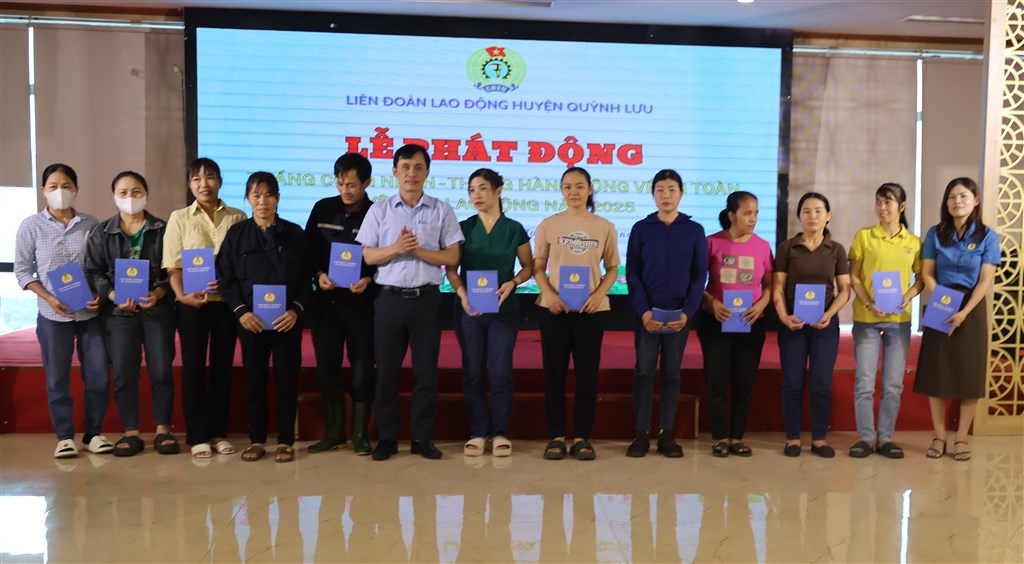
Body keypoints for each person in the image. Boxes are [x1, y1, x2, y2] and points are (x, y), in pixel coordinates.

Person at [357, 144, 464, 461]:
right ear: (394, 172)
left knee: (425, 373)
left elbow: (452, 256)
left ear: (427, 172)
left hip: (426, 301)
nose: (411, 173)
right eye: (405, 167)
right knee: (387, 374)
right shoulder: (380, 210)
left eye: (418, 167)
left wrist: (417, 251)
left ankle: (422, 438)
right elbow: (368, 255)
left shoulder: (441, 210)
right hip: (388, 301)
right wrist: (396, 248)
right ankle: (387, 438)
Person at [15, 164, 111, 458]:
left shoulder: (91, 224)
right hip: (52, 314)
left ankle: (93, 433)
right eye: (53, 186)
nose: (60, 191)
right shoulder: (30, 226)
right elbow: (22, 271)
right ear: (43, 190)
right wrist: (48, 297)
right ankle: (65, 436)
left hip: (89, 314)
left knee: (98, 376)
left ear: (76, 190)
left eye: (66, 186)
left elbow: (100, 266)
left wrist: (98, 294)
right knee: (57, 378)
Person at [218, 172, 312, 463]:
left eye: (268, 195)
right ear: (247, 199)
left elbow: (306, 277)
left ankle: (285, 440)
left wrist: (295, 310)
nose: (262, 201)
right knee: (255, 382)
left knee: (287, 381)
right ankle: (257, 440)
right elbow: (226, 277)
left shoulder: (295, 233)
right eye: (256, 195)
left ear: (278, 198)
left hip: (286, 321)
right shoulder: (236, 234)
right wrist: (241, 312)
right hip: (252, 322)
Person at [85, 171, 177, 457]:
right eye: (123, 192)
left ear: (147, 194)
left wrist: (158, 293)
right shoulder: (102, 231)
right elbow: (94, 271)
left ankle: (163, 430)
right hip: (118, 314)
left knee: (161, 370)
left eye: (136, 191)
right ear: (114, 196)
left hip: (157, 310)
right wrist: (112, 295)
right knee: (124, 373)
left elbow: (173, 269)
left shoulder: (163, 229)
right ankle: (132, 432)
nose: (130, 197)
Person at [162, 158, 247, 459]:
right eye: (196, 179)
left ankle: (219, 433)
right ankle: (198, 435)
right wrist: (181, 296)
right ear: (189, 184)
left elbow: (242, 263)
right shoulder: (179, 218)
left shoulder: (238, 217)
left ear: (219, 181)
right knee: (194, 369)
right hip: (192, 305)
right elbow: (172, 265)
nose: (203, 184)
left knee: (223, 369)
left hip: (226, 305)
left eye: (209, 177)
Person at [445, 168, 533, 458]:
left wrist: (513, 282)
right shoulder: (463, 228)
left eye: (483, 188)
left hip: (503, 310)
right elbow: (451, 269)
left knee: (500, 371)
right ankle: (478, 431)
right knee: (473, 371)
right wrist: (462, 293)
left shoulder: (514, 229)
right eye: (472, 190)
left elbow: (528, 266)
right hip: (469, 310)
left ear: (498, 190)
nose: (476, 195)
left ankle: (499, 432)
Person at [534, 166, 620, 461]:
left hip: (590, 311)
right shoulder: (548, 224)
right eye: (568, 186)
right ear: (561, 190)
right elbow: (538, 266)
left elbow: (612, 268)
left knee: (587, 376)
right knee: (554, 375)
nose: (574, 192)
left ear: (590, 189)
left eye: (580, 186)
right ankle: (556, 436)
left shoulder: (604, 226)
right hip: (554, 310)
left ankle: (582, 437)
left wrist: (599, 295)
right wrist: (548, 294)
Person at [914, 177, 999, 462]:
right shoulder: (935, 233)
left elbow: (985, 280)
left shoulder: (987, 236)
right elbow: (927, 273)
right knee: (936, 371)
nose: (957, 201)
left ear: (975, 201)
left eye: (963, 196)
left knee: (968, 374)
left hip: (972, 307)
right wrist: (942, 300)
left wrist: (963, 311)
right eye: (952, 196)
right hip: (941, 301)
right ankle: (939, 435)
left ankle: (961, 436)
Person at [625, 169, 707, 458]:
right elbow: (633, 272)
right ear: (653, 194)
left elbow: (699, 275)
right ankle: (640, 435)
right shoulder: (641, 228)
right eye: (660, 189)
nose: (666, 195)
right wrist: (643, 311)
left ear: (681, 193)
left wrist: (687, 312)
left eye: (672, 189)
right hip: (647, 316)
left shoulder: (694, 230)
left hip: (678, 317)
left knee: (672, 373)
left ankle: (666, 435)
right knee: (644, 373)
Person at [304, 153, 377, 455]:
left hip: (363, 304)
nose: (345, 190)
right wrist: (318, 274)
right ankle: (334, 433)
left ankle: (359, 435)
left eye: (352, 185)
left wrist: (369, 278)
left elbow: (385, 257)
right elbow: (307, 251)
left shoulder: (377, 213)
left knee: (363, 371)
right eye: (340, 183)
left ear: (366, 183)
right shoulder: (322, 208)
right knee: (326, 371)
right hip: (327, 303)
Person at [847, 183, 923, 459]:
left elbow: (921, 280)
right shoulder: (864, 236)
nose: (882, 207)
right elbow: (854, 277)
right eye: (878, 202)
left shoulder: (913, 243)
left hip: (899, 319)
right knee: (864, 382)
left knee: (893, 384)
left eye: (888, 202)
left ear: (901, 207)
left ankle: (886, 438)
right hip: (867, 318)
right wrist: (868, 302)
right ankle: (866, 438)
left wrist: (907, 297)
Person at [773, 192, 851, 458]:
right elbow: (778, 288)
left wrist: (829, 313)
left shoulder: (836, 250)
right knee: (792, 383)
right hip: (793, 324)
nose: (812, 216)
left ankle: (819, 438)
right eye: (806, 211)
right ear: (799, 216)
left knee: (821, 383)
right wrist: (784, 317)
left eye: (818, 211)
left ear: (828, 216)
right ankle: (793, 438)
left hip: (824, 325)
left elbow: (845, 290)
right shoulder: (787, 248)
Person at [698, 191, 774, 458]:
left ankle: (737, 437)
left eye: (756, 213)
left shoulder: (763, 246)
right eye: (747, 213)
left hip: (750, 322)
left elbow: (770, 285)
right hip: (716, 322)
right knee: (717, 380)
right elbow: (696, 283)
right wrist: (711, 303)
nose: (752, 219)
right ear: (731, 215)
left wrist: (761, 305)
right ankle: (720, 437)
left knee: (744, 381)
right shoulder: (711, 243)